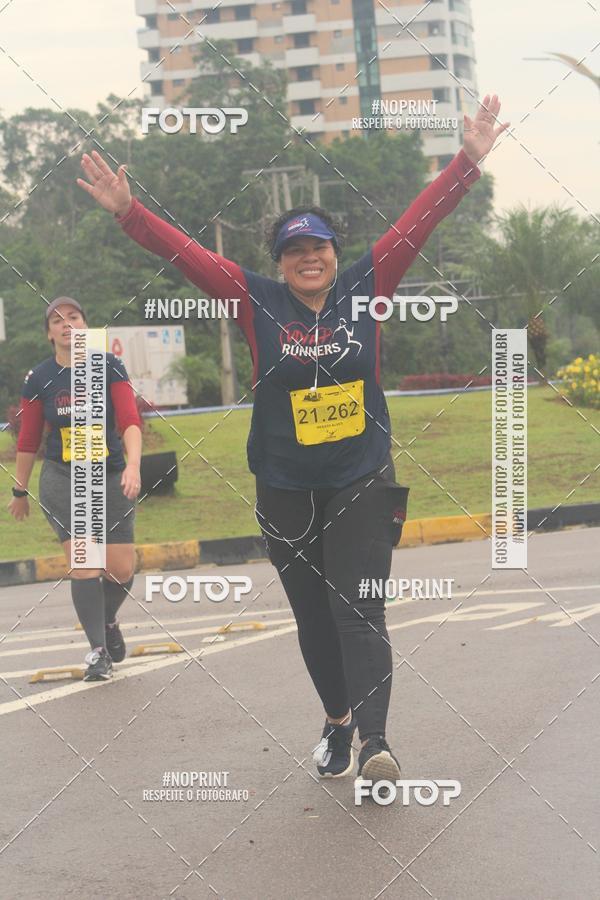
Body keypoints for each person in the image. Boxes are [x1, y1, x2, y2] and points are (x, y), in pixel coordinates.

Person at [77, 94, 508, 781]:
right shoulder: (254, 299)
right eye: (294, 250)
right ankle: (337, 721)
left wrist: (466, 162)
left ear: (336, 254)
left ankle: (375, 742)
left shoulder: (367, 285)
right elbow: (184, 254)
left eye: (319, 247)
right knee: (313, 615)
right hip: (283, 482)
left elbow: (413, 227)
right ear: (280, 263)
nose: (309, 258)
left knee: (359, 608)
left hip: (362, 473)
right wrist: (130, 212)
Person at [8, 297, 143, 681]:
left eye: (74, 317)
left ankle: (107, 621)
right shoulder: (39, 378)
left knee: (119, 570)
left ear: (85, 324)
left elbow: (130, 421)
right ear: (48, 333)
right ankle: (97, 652)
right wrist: (20, 491)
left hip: (111, 475)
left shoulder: (108, 366)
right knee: (86, 562)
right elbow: (28, 439)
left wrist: (133, 465)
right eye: (57, 320)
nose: (66, 324)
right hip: (64, 478)